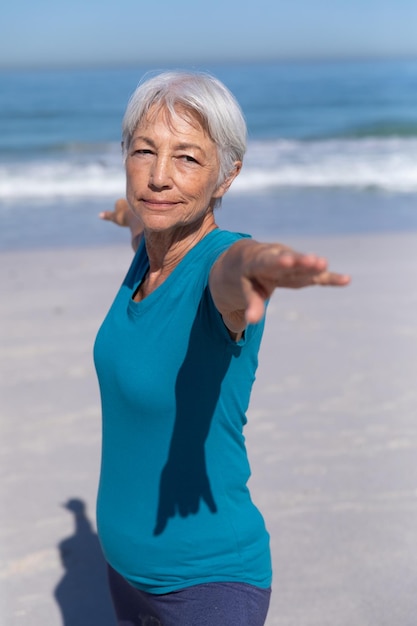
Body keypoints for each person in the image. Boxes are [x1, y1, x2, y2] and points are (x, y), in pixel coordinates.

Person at [94, 70, 350, 626]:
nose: (159, 176)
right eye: (144, 151)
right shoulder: (151, 246)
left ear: (226, 176)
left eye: (187, 158)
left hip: (207, 586)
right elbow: (139, 216)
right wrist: (124, 214)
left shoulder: (218, 265)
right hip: (125, 578)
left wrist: (263, 265)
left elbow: (238, 266)